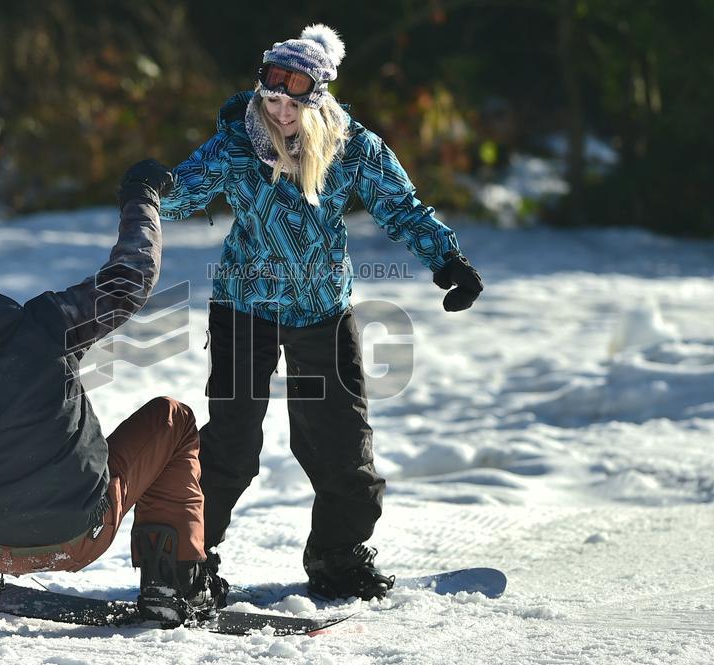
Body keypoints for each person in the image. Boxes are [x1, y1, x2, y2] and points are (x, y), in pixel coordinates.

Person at [159, 24, 484, 601]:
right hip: (243, 308)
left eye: (291, 103)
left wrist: (448, 261)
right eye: (271, 99)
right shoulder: (238, 143)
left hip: (321, 313)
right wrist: (147, 188)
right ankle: (186, 559)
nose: (279, 113)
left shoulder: (351, 145)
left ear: (317, 101)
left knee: (340, 444)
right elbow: (183, 191)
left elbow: (400, 206)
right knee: (231, 446)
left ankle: (338, 556)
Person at [0, 160, 227, 640]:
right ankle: (172, 587)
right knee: (172, 418)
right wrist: (141, 196)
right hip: (84, 533)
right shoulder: (46, 325)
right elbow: (131, 276)